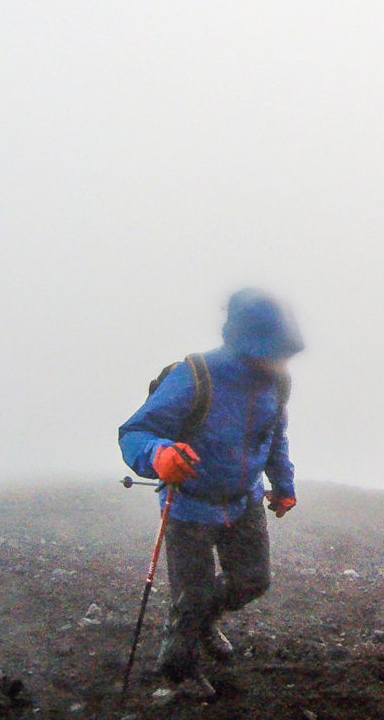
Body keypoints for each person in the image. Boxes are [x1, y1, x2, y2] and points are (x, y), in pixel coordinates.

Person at [118, 288, 304, 697]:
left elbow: (274, 436)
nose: (281, 361)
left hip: (244, 502)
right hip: (188, 506)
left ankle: (203, 623)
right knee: (192, 594)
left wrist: (284, 485)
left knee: (253, 580)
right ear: (248, 343)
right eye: (274, 351)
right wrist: (158, 455)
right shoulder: (194, 375)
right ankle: (177, 671)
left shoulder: (277, 382)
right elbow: (135, 433)